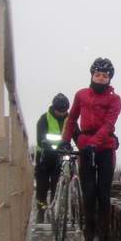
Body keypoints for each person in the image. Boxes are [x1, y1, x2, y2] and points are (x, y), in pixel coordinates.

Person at [62, 58, 121, 241]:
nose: (101, 78)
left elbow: (109, 125)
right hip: (85, 147)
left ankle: (104, 239)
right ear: (92, 75)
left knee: (103, 195)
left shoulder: (115, 100)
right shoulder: (81, 95)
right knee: (88, 192)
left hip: (105, 148)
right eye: (98, 75)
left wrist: (93, 144)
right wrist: (65, 140)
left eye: (105, 76)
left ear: (109, 79)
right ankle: (89, 230)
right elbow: (71, 118)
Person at [34, 93, 70, 223]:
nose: (62, 113)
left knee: (57, 184)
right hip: (44, 157)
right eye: (59, 111)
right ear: (54, 108)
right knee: (42, 187)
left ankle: (56, 210)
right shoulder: (44, 119)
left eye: (64, 111)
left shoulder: (69, 119)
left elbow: (77, 134)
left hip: (59, 158)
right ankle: (41, 211)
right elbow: (40, 140)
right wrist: (54, 144)